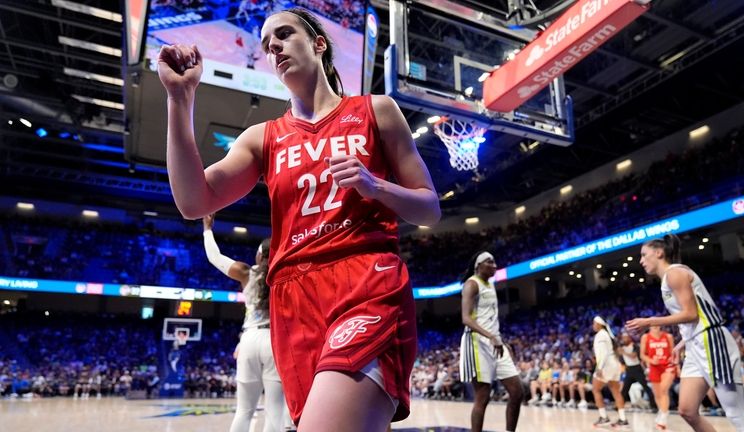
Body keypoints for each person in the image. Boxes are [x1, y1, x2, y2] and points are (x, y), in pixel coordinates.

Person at [158, 6, 440, 431]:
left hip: (364, 281)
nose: (272, 46)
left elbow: (429, 208)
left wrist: (375, 186)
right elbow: (193, 201)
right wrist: (180, 100)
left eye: (284, 34)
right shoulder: (263, 137)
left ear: (318, 43)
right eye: (267, 44)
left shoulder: (376, 111)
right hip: (291, 301)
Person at [627, 234, 744, 432]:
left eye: (644, 255)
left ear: (659, 253)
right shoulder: (666, 280)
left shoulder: (675, 273)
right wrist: (681, 344)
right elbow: (694, 318)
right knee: (687, 410)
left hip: (713, 342)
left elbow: (691, 314)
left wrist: (650, 321)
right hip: (695, 345)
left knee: (735, 412)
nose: (641, 261)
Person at [202, 215, 291, 432]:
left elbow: (215, 257)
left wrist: (207, 229)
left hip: (249, 339)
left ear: (259, 255)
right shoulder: (288, 277)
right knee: (275, 410)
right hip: (275, 342)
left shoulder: (246, 273)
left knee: (244, 410)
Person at [459, 252, 524, 432]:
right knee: (483, 396)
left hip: (495, 342)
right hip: (476, 343)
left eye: (495, 262)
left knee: (517, 392)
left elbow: (489, 319)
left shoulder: (490, 284)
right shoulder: (472, 284)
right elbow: (466, 318)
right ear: (479, 265)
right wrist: (491, 337)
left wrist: (499, 340)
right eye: (490, 262)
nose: (495, 265)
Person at [591, 316, 630, 428]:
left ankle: (604, 417)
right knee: (616, 392)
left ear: (600, 324)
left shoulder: (600, 335)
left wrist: (599, 368)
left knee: (596, 389)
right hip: (614, 364)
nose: (593, 325)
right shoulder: (608, 334)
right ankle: (623, 419)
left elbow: (602, 354)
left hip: (606, 365)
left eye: (594, 323)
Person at [640, 325, 676, 430]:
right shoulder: (645, 337)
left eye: (657, 323)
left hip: (667, 366)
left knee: (664, 390)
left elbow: (673, 353)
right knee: (658, 394)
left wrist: (677, 366)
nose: (655, 326)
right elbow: (642, 355)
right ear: (649, 326)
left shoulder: (668, 336)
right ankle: (662, 411)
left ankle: (663, 418)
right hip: (654, 367)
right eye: (653, 324)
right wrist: (651, 361)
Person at [619, 332, 656, 412]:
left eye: (625, 337)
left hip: (637, 369)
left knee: (645, 387)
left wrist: (623, 352)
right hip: (629, 369)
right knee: (625, 388)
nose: (624, 339)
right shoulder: (622, 347)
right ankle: (619, 405)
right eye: (623, 338)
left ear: (629, 338)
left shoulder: (635, 346)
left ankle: (654, 405)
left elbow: (633, 356)